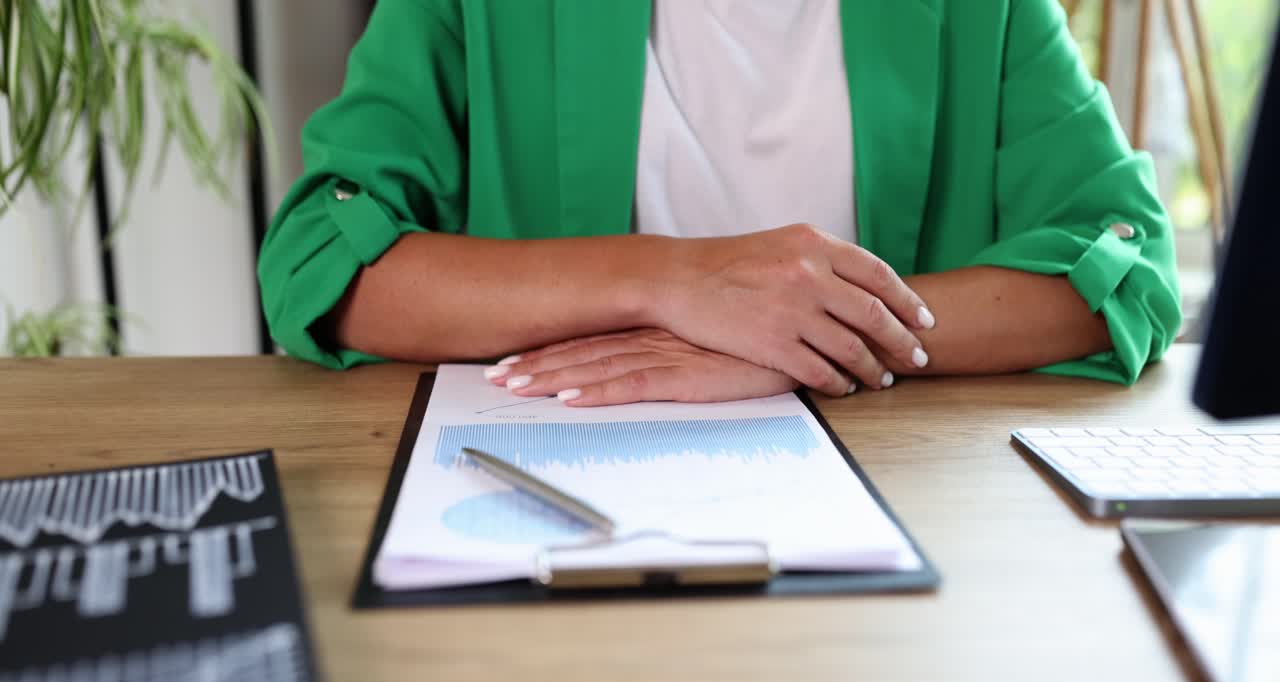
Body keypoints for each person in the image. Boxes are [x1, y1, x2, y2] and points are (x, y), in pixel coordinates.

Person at [259, 0, 1181, 407]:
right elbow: (323, 262)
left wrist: (811, 342)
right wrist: (675, 281)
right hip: (547, 474)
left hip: (892, 507)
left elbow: (1122, 266)